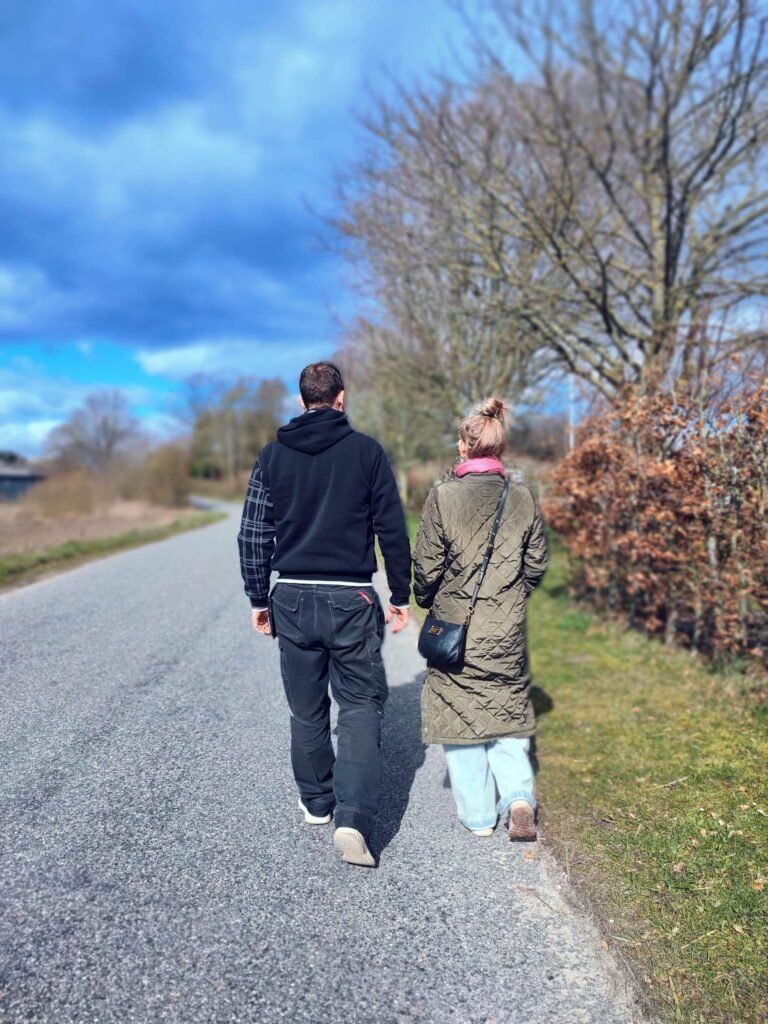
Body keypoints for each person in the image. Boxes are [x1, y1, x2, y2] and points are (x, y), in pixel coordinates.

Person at [237, 362, 411, 867]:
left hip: (291, 596)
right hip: (351, 597)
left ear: (300, 401)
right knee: (358, 705)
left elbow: (253, 534)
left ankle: (317, 803)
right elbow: (392, 528)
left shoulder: (271, 457)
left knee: (307, 708)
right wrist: (400, 594)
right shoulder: (367, 453)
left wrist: (258, 599)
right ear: (341, 399)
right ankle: (352, 818)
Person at [412, 397, 548, 840]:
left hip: (456, 627)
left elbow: (427, 567)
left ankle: (479, 817)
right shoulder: (522, 497)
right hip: (505, 628)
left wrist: (425, 599)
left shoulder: (443, 496)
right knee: (507, 709)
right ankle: (519, 798)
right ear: (500, 448)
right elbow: (536, 564)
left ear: (463, 447)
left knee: (459, 715)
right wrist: (511, 598)